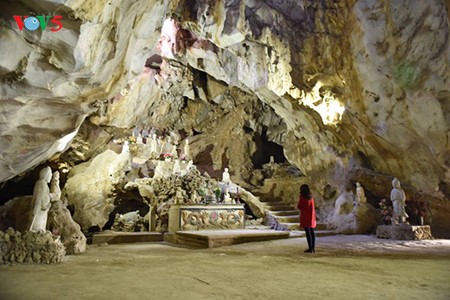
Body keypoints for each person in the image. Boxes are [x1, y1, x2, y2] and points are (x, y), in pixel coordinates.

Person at [297, 184, 317, 253]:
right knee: (312, 232)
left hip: (305, 216)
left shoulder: (303, 197)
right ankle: (313, 247)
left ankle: (310, 248)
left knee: (308, 233)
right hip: (311, 216)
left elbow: (299, 206)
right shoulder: (311, 197)